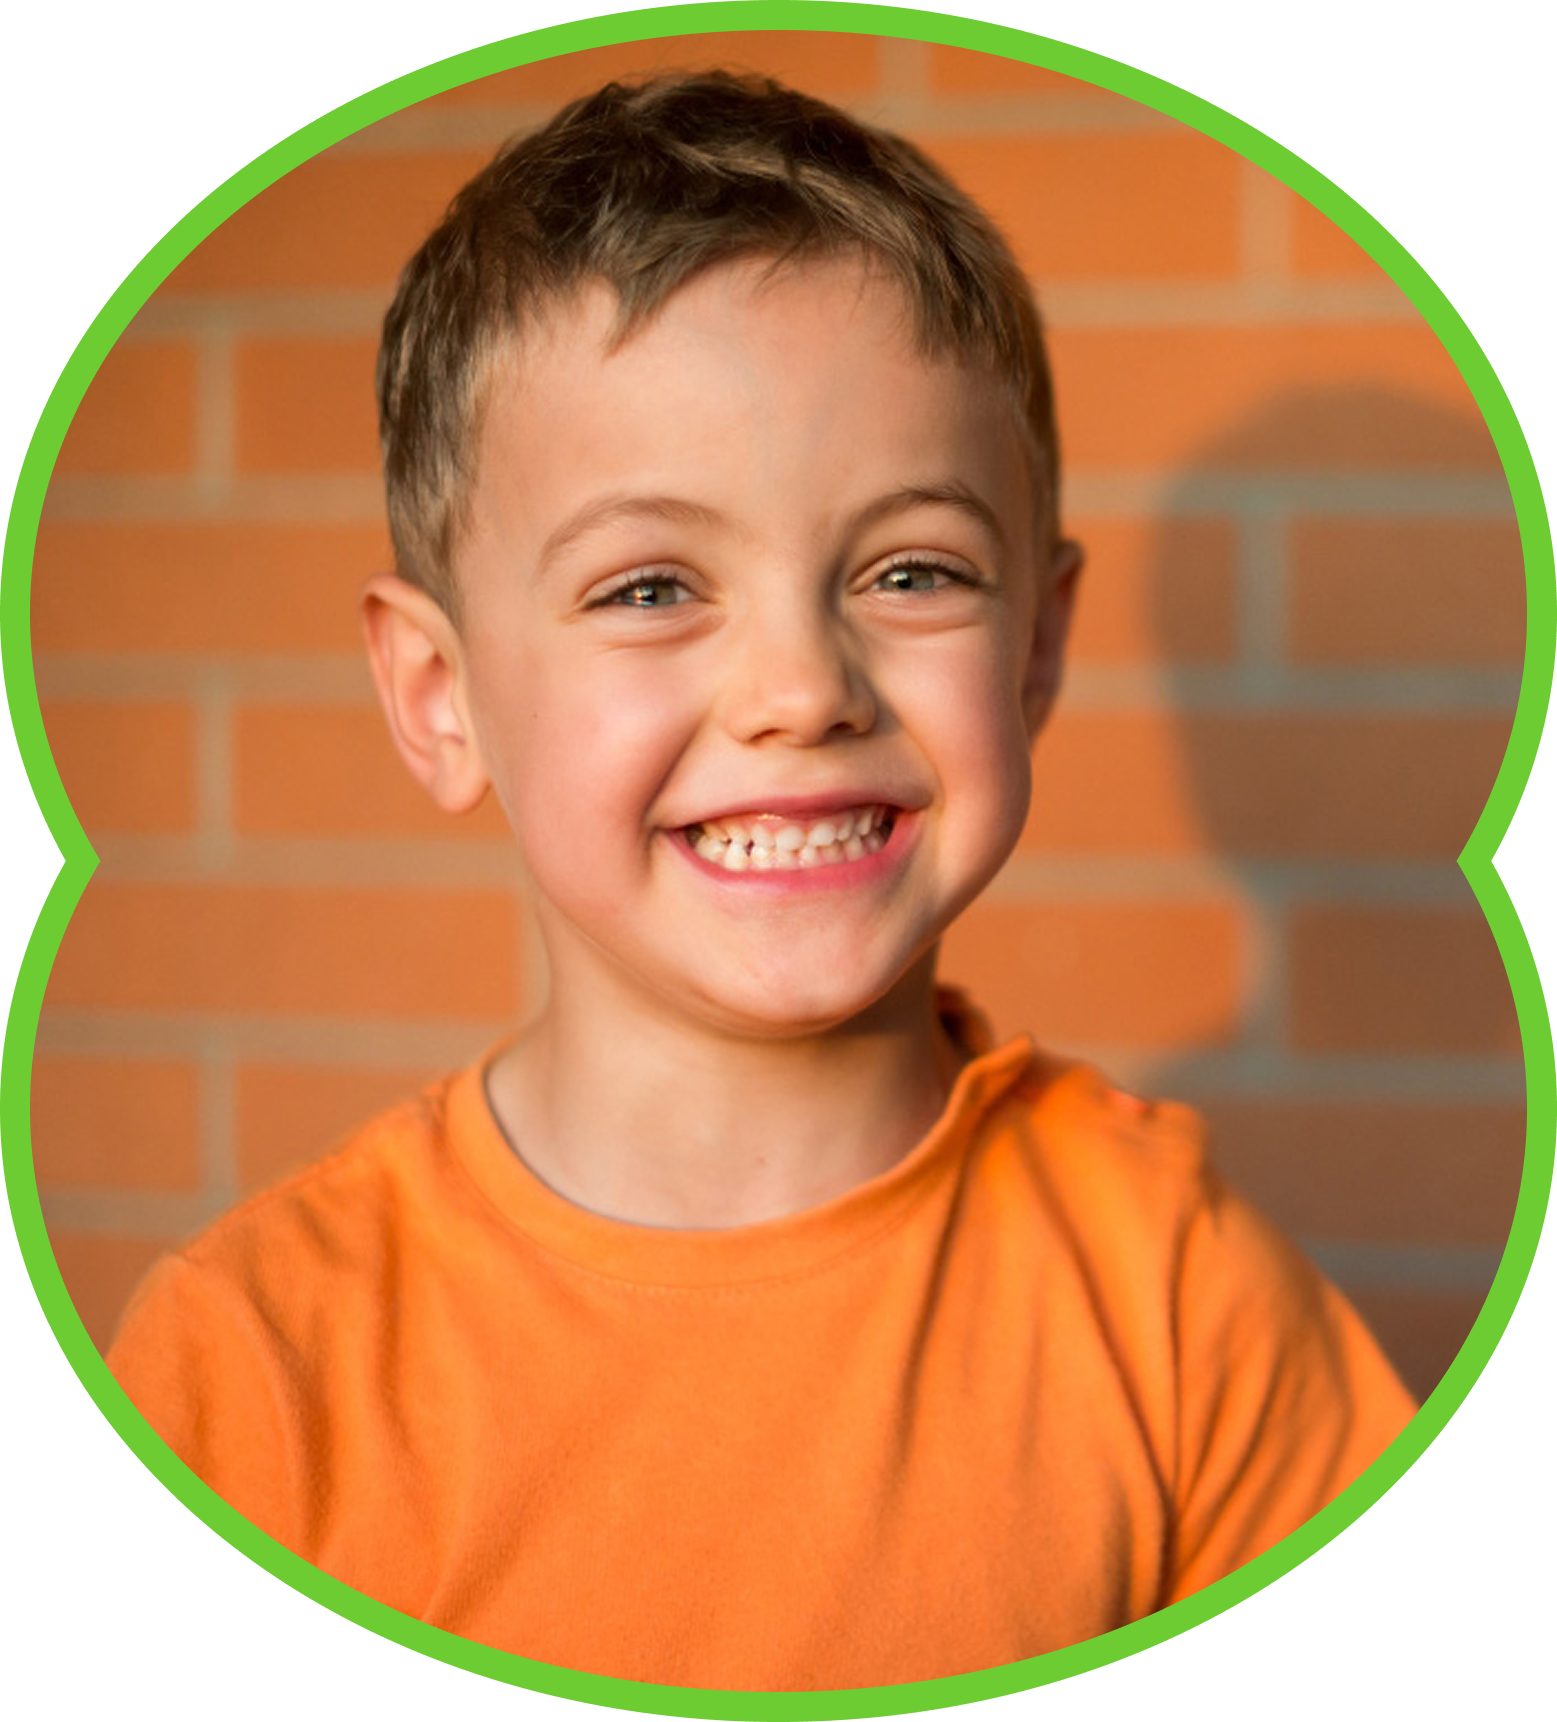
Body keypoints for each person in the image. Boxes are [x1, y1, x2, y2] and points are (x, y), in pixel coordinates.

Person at [106, 71, 1415, 1691]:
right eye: (650, 585)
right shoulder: (250, 1372)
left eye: (913, 570)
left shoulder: (1182, 1292)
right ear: (441, 697)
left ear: (1038, 651)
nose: (803, 687)